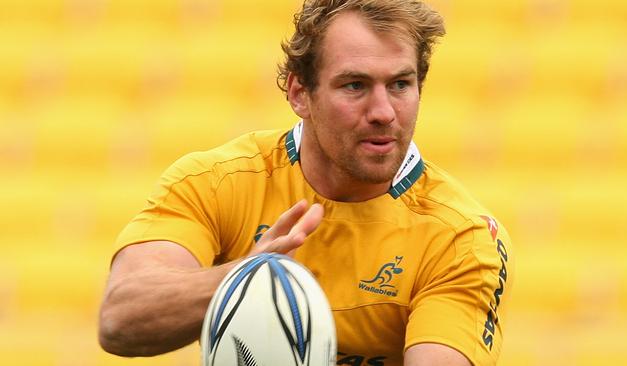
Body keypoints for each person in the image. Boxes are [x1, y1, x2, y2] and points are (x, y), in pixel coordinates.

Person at [98, 0, 514, 365]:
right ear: (299, 93)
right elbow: (120, 319)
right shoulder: (216, 181)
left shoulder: (462, 237)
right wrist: (245, 278)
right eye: (355, 85)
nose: (384, 111)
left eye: (400, 84)